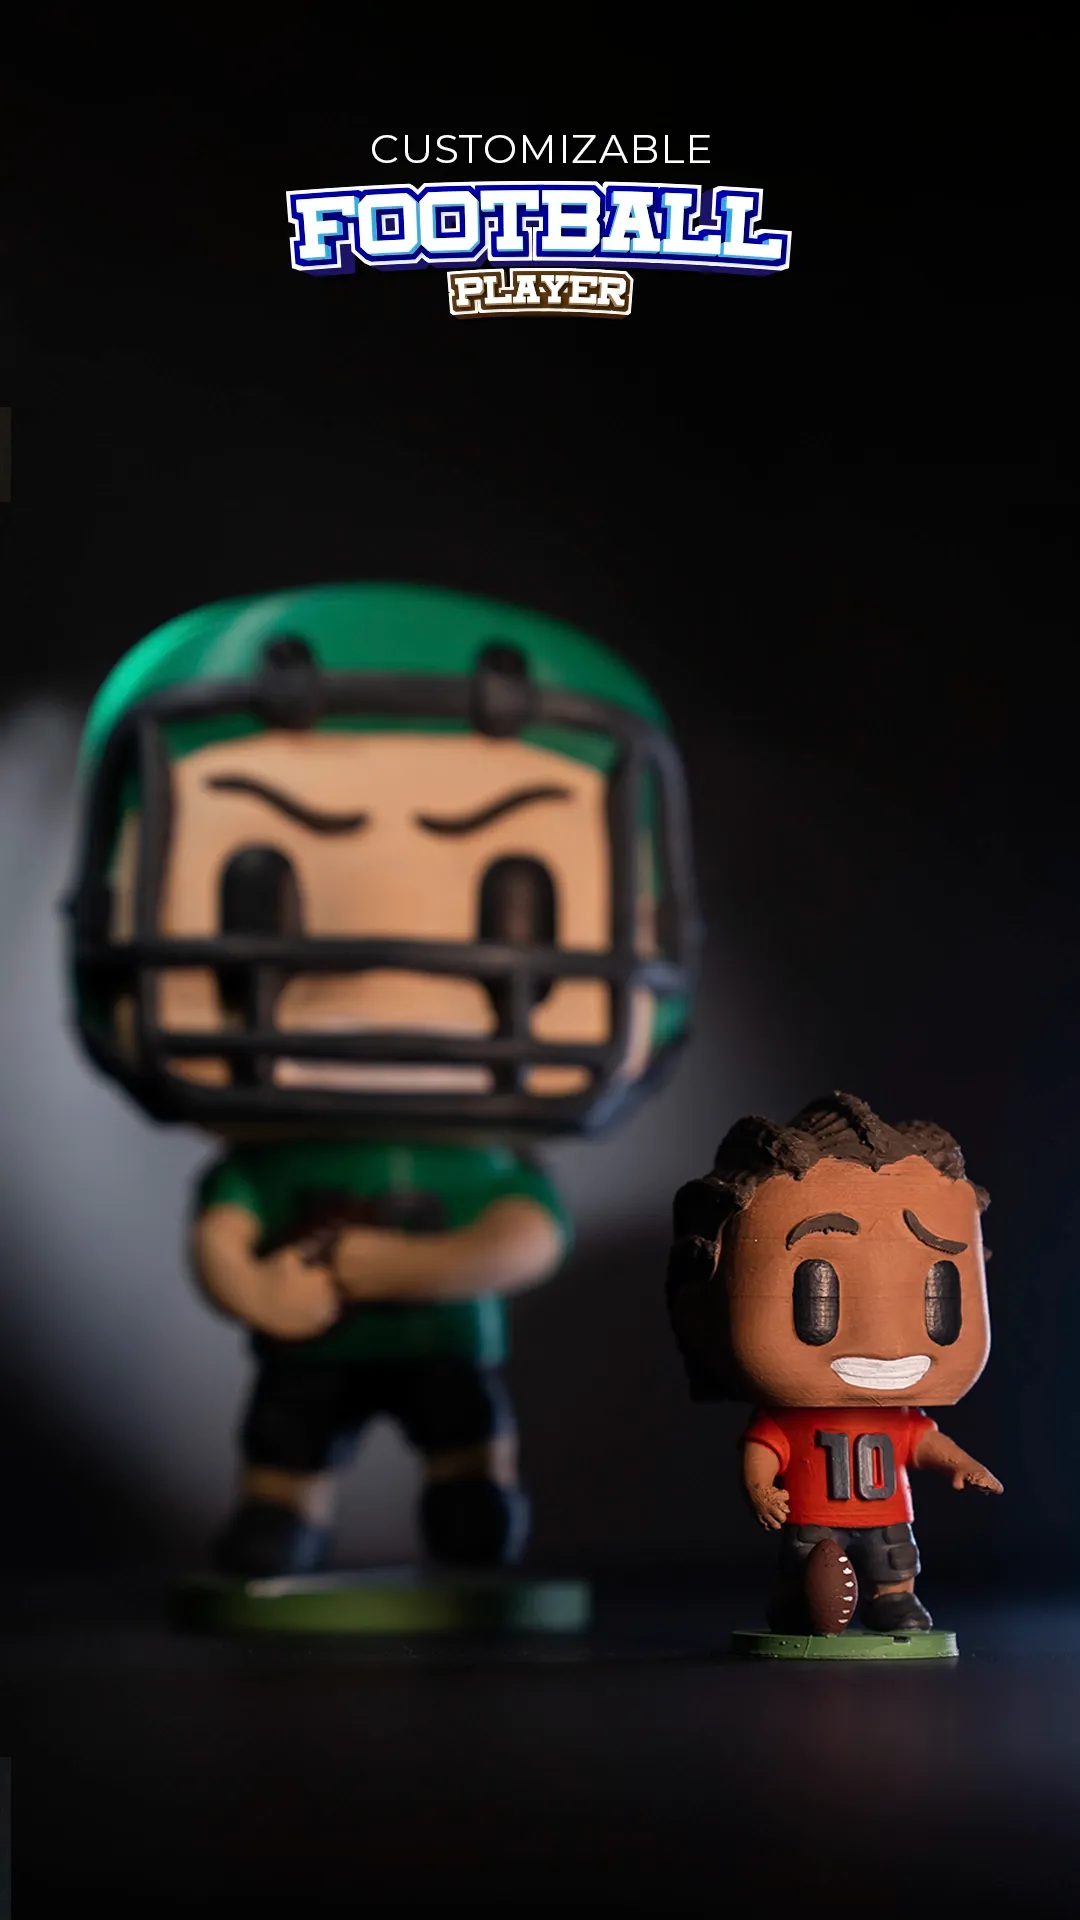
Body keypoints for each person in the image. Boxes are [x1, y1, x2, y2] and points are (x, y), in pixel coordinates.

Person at [66, 582, 700, 1576]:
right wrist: (253, 1283)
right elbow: (221, 1237)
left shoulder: (483, 1163)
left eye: (514, 895)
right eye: (257, 887)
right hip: (309, 1342)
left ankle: (470, 1494)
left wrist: (423, 1269)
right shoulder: (269, 1160)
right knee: (288, 1431)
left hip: (443, 1339)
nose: (382, 969)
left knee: (461, 1424)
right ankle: (283, 1511)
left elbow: (526, 1236)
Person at [666, 1090, 1002, 1633]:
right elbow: (762, 1448)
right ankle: (796, 1601)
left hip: (886, 1513)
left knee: (895, 1559)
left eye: (935, 1294)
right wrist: (761, 1489)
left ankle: (894, 1600)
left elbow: (922, 1442)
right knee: (805, 1566)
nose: (885, 1342)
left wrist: (962, 1465)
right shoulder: (788, 1418)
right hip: (814, 1515)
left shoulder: (898, 1416)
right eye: (817, 1292)